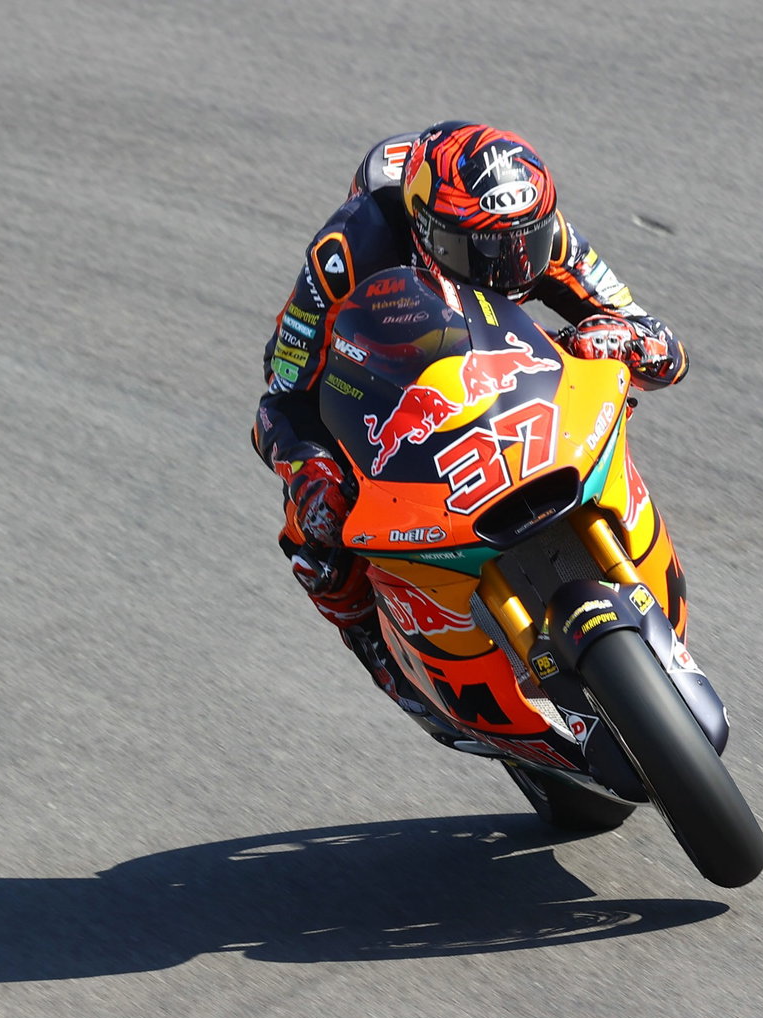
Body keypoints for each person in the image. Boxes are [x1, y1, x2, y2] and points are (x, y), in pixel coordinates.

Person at [251, 121, 688, 736]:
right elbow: (281, 393)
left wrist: (619, 340)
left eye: (524, 245)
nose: (508, 267)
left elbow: (658, 340)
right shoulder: (347, 252)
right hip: (390, 398)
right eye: (480, 253)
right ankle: (380, 653)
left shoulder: (535, 232)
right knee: (313, 530)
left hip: (513, 382)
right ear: (425, 231)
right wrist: (311, 470)